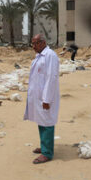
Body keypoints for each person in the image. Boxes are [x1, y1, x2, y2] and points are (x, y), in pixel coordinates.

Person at [24, 34, 60, 164]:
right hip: (38, 97)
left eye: (35, 43)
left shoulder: (50, 55)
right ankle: (45, 146)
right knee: (41, 121)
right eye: (32, 44)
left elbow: (51, 78)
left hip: (46, 98)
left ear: (43, 42)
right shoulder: (39, 56)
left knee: (47, 123)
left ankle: (47, 153)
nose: (33, 46)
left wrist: (46, 99)